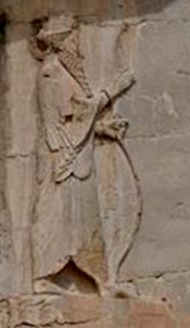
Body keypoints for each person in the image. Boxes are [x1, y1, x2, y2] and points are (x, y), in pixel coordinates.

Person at [30, 15, 134, 293]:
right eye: (73, 38)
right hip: (63, 158)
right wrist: (112, 90)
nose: (78, 45)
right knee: (57, 216)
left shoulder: (62, 71)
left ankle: (100, 279)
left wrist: (102, 129)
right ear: (62, 42)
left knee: (84, 218)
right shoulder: (52, 73)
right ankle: (43, 277)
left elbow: (73, 119)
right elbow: (79, 113)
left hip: (74, 152)